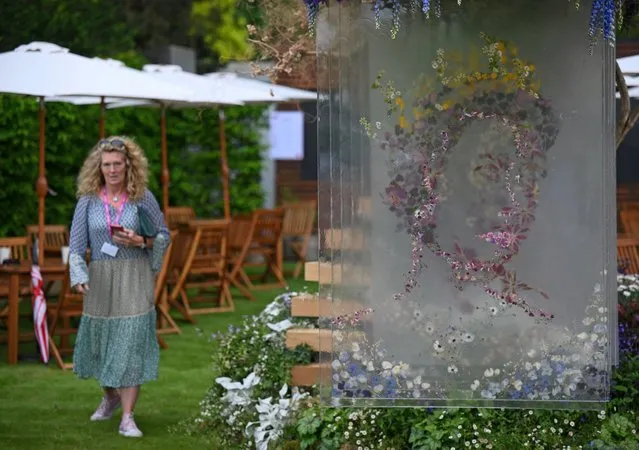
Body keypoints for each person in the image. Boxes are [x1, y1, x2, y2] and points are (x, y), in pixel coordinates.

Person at [68, 136, 170, 438]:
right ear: (98, 168)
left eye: (117, 164)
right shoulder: (87, 200)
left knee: (130, 343)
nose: (112, 170)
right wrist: (79, 273)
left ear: (128, 166)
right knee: (100, 343)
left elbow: (164, 234)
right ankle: (110, 395)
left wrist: (140, 241)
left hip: (134, 275)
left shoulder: (142, 197)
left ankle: (127, 417)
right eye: (107, 165)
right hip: (100, 278)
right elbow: (76, 246)